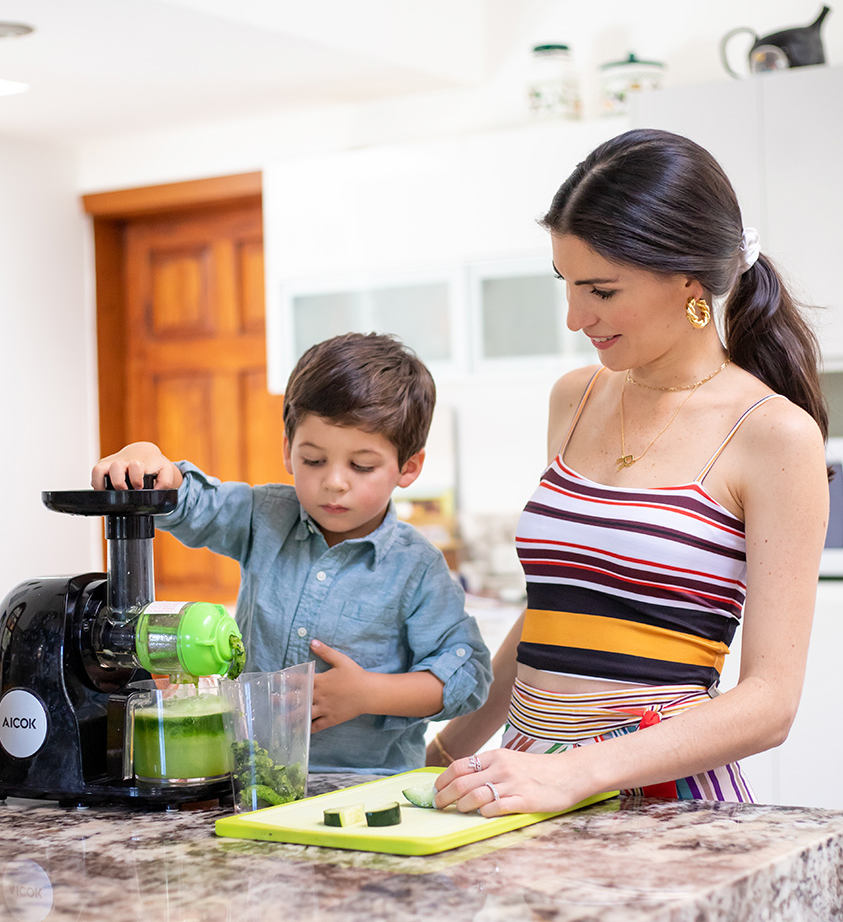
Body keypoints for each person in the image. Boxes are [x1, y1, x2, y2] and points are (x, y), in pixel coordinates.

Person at [428, 128, 830, 816]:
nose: (574, 316)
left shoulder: (772, 435)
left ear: (688, 280)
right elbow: (556, 609)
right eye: (566, 284)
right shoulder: (575, 397)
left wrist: (574, 773)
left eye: (601, 290)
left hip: (661, 802)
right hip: (523, 785)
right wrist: (438, 754)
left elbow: (769, 702)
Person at [92, 332, 492, 774]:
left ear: (409, 467)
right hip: (250, 777)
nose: (334, 482)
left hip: (366, 786)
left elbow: (467, 676)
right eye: (314, 460)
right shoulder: (263, 516)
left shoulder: (418, 567)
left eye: (362, 466)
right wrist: (145, 457)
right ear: (287, 449)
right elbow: (190, 503)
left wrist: (368, 694)